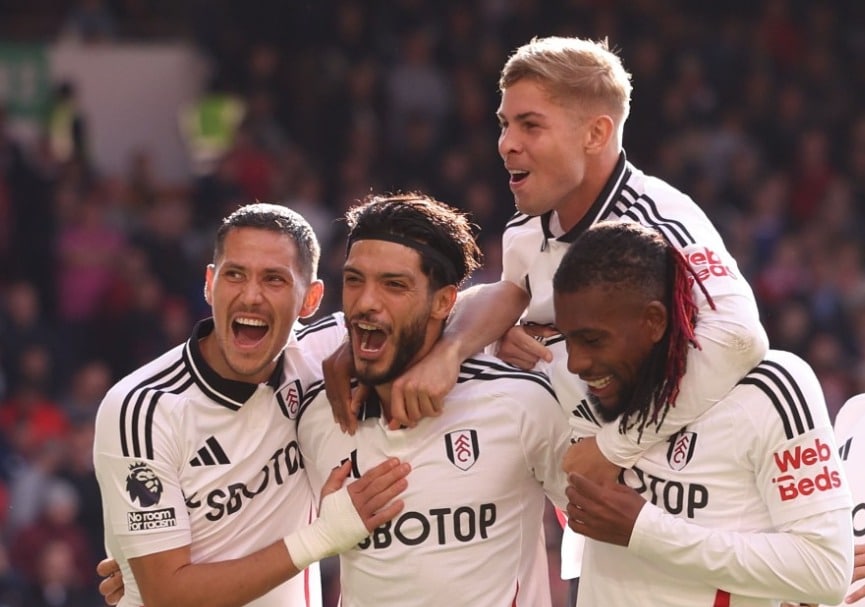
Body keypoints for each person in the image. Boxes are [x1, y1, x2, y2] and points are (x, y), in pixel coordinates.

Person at [325, 35, 769, 600]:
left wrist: (614, 448)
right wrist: (405, 345)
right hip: (616, 511)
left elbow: (738, 338)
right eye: (504, 124)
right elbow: (509, 291)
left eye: (530, 126)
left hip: (700, 506)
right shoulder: (529, 228)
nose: (507, 144)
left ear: (596, 133)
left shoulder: (656, 220)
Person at [92, 202, 410, 607]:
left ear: (310, 299)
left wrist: (447, 355)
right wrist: (323, 536)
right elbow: (168, 595)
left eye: (274, 279)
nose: (251, 296)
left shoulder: (317, 355)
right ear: (209, 284)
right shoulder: (143, 409)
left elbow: (444, 310)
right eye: (235, 275)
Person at [554, 220, 853, 606]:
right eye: (568, 337)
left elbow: (826, 572)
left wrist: (646, 530)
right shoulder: (588, 387)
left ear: (653, 322)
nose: (575, 362)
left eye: (593, 340)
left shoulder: (771, 387)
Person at [296, 193, 572, 605]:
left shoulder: (519, 403)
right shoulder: (319, 411)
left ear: (443, 302)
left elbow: (604, 525)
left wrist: (457, 349)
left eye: (394, 285)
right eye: (354, 280)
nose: (366, 302)